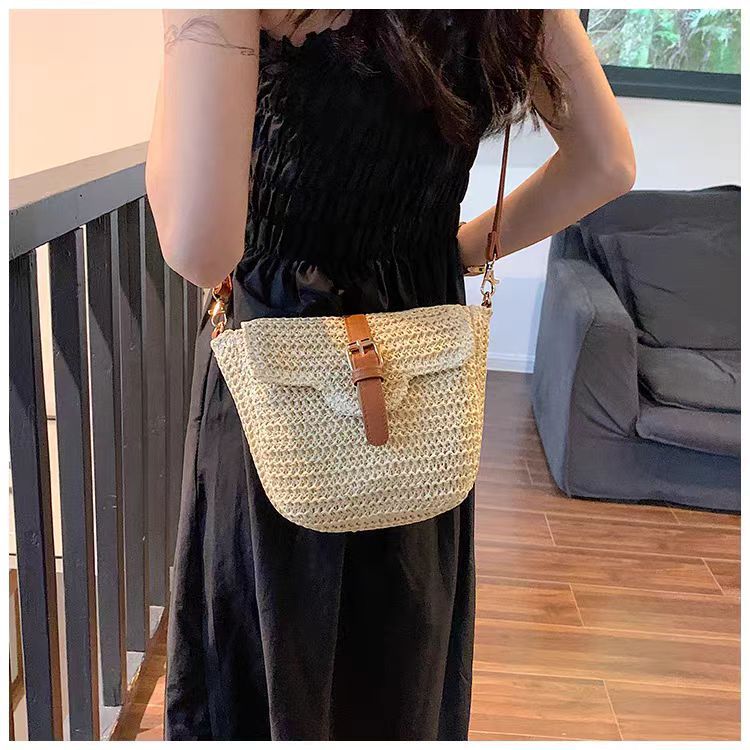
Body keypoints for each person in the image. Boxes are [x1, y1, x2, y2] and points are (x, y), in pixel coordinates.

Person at [146, 9, 635, 741]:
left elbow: (199, 246)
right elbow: (607, 163)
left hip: (278, 357)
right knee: (402, 652)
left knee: (265, 651)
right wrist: (456, 250)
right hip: (419, 348)